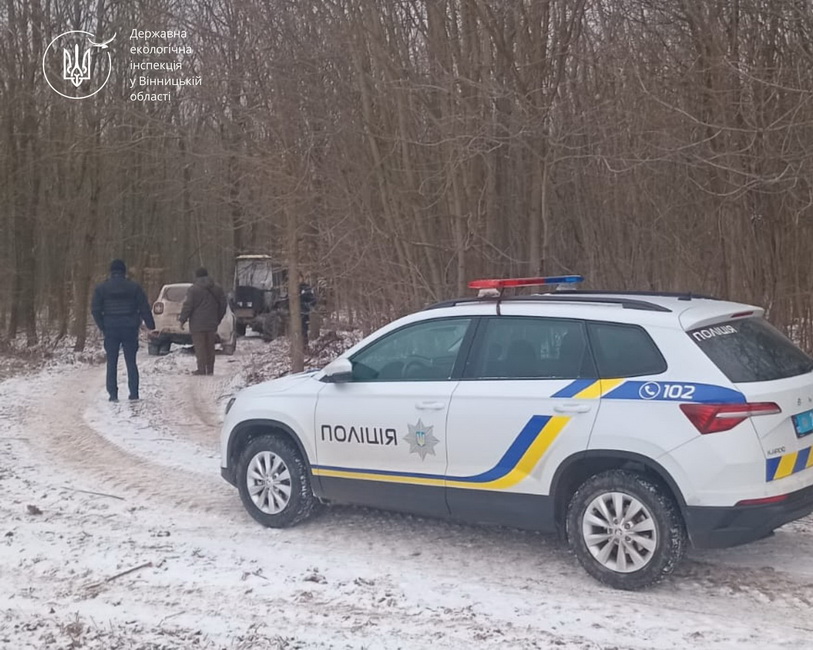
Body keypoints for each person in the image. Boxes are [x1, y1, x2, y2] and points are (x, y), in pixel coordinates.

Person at [91, 259, 156, 402]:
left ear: (111, 272)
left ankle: (113, 395)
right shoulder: (134, 287)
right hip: (130, 328)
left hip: (111, 329)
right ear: (124, 272)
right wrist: (151, 326)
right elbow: (144, 307)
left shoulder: (102, 288)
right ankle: (134, 393)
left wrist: (103, 325)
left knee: (112, 362)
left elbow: (95, 310)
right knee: (131, 362)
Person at [179, 267, 227, 375]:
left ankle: (201, 369)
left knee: (200, 347)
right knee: (210, 347)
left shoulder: (193, 289)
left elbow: (188, 306)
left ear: (197, 276)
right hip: (212, 323)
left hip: (197, 324)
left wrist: (182, 319)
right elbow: (223, 305)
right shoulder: (217, 288)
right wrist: (217, 318)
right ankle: (210, 370)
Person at [299, 281, 317, 346]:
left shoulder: (306, 288)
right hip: (295, 315)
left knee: (303, 331)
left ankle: (304, 346)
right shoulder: (292, 288)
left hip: (303, 314)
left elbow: (313, 300)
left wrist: (305, 307)